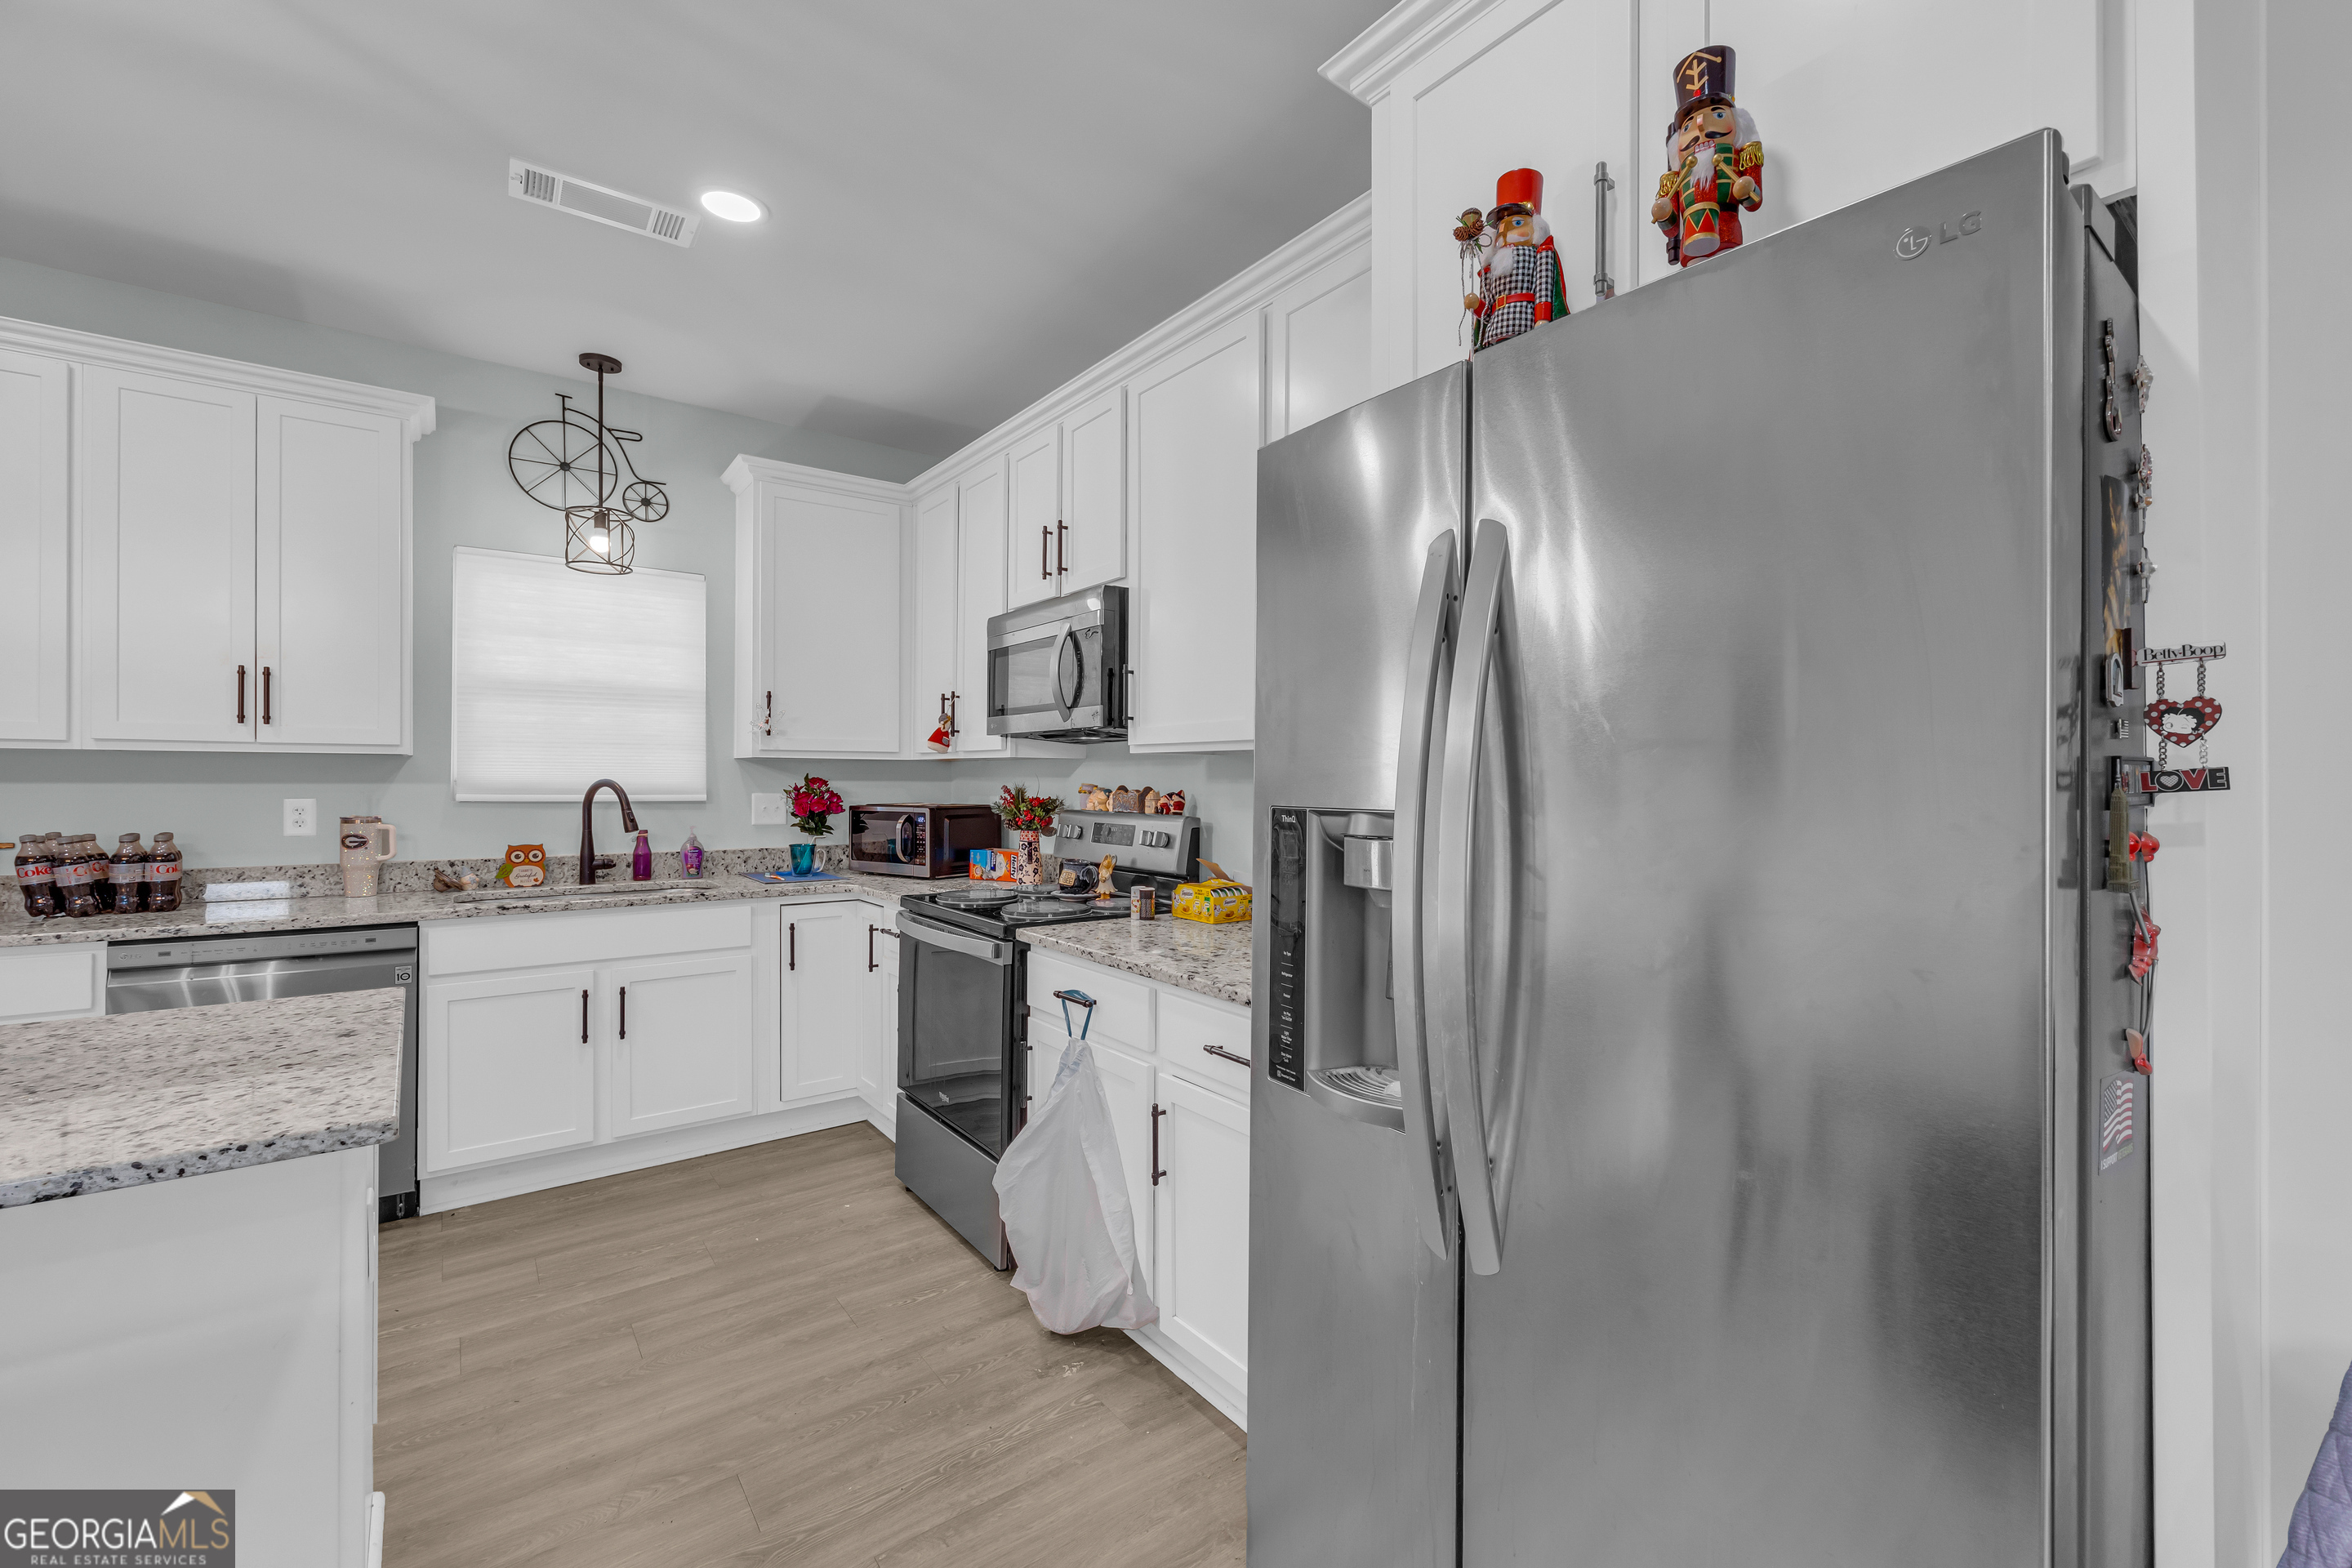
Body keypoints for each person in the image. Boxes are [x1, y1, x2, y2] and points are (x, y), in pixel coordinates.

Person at [1651, 46, 1764, 268]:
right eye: (1689, 125)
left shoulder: (1744, 155)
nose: (1701, 125)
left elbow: (1754, 202)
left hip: (1728, 236)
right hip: (1690, 249)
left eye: (1718, 114)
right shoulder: (1675, 177)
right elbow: (1672, 228)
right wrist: (1664, 216)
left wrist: (1748, 189)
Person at [1464, 167, 1569, 353]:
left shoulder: (1538, 254)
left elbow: (1543, 288)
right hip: (1494, 333)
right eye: (1501, 227)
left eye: (1517, 224)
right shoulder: (1492, 266)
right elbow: (1488, 312)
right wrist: (1476, 305)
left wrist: (1542, 319)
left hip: (1524, 324)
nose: (1505, 232)